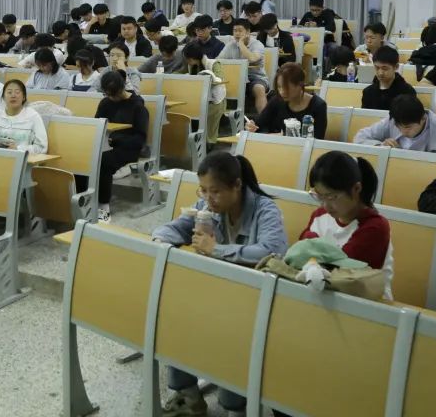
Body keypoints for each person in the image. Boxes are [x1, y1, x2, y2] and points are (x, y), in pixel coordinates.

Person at [152, 152, 287, 417]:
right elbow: (171, 229)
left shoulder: (265, 209)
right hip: (218, 292)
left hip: (256, 299)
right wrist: (161, 243)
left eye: (214, 191)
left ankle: (235, 406)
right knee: (174, 312)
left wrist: (216, 250)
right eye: (203, 190)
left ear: (236, 185)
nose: (207, 198)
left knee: (228, 330)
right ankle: (188, 395)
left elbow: (270, 251)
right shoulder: (207, 208)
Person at [299, 151, 393, 299]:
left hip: (365, 303)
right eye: (319, 196)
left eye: (331, 196)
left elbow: (342, 271)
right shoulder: (319, 216)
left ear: (356, 189)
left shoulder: (375, 227)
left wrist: (313, 254)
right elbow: (299, 255)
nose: (325, 205)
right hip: (322, 296)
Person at [90, 70, 149, 222]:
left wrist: (115, 141)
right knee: (85, 157)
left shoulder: (137, 106)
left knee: (103, 161)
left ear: (122, 88)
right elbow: (97, 125)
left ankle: (103, 206)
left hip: (129, 148)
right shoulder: (105, 103)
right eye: (107, 94)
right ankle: (87, 201)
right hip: (107, 144)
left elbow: (140, 139)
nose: (111, 98)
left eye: (113, 94)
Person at [354, 94, 436, 155]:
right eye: (398, 126)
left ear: (423, 119)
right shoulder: (394, 119)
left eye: (408, 127)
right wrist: (380, 146)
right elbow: (360, 137)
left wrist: (401, 154)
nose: (402, 131)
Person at [247, 62, 327, 139]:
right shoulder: (276, 101)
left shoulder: (318, 106)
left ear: (300, 85)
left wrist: (282, 137)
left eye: (286, 87)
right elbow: (258, 125)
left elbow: (318, 138)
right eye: (279, 87)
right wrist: (250, 126)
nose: (282, 92)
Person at [0, 79, 48, 153]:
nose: (13, 95)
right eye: (9, 92)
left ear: (24, 97)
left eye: (17, 92)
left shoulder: (33, 117)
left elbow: (41, 147)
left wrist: (19, 149)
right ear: (3, 97)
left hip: (23, 158)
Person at [183, 42, 227, 146]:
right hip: (199, 98)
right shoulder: (191, 66)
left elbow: (220, 79)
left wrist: (208, 77)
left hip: (215, 100)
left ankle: (210, 141)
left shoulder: (213, 64)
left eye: (189, 59)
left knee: (209, 111)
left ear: (195, 57)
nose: (187, 61)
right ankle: (190, 140)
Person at [220, 20, 269, 112]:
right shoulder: (230, 45)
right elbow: (218, 61)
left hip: (255, 77)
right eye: (235, 30)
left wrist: (241, 44)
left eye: (240, 30)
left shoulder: (257, 44)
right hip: (236, 78)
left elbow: (252, 58)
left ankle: (264, 118)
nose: (237, 33)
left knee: (259, 89)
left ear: (248, 32)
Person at [361, 46, 416, 110]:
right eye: (377, 68)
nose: (380, 73)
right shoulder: (368, 92)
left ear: (396, 67)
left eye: (385, 68)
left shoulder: (407, 92)